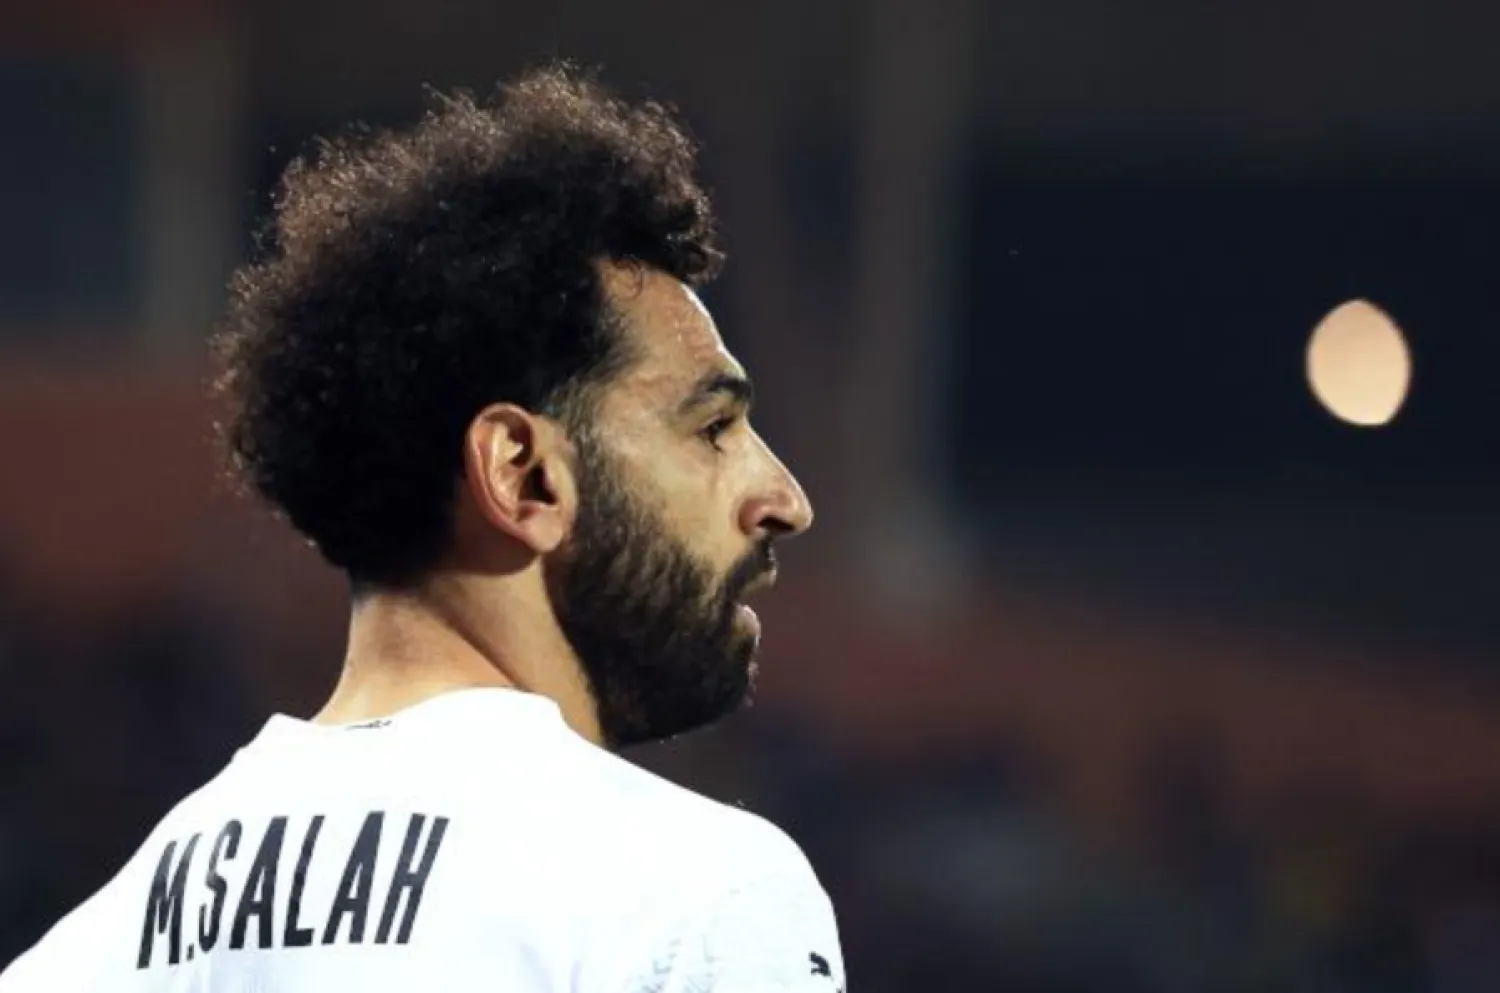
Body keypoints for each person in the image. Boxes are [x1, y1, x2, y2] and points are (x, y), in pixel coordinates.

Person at [0, 64, 844, 992]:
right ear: (522, 473)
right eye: (714, 427)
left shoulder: (81, 955)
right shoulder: (700, 898)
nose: (784, 497)